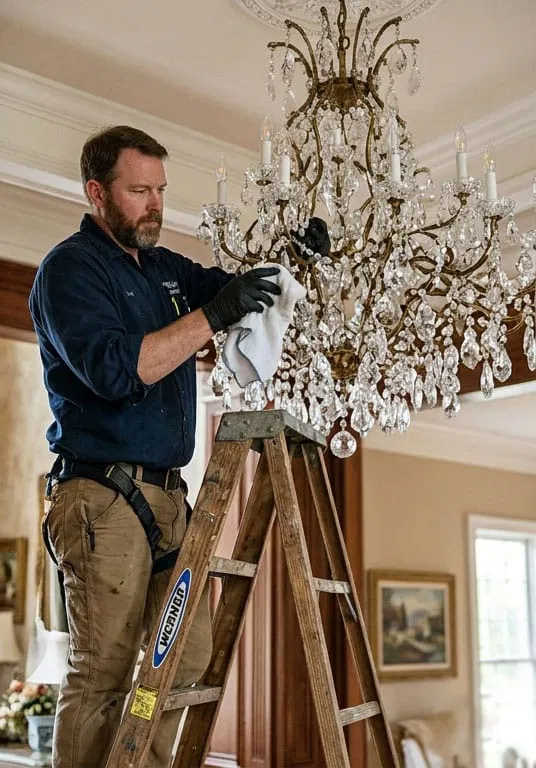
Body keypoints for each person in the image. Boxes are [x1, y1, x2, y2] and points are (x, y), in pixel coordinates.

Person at [29, 124, 281, 768]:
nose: (155, 205)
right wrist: (211, 317)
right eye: (139, 191)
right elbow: (117, 371)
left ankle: (139, 762)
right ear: (98, 193)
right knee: (104, 674)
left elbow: (238, 293)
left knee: (181, 664)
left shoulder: (166, 270)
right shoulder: (70, 271)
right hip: (101, 498)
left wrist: (289, 266)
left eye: (161, 191)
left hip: (170, 497)